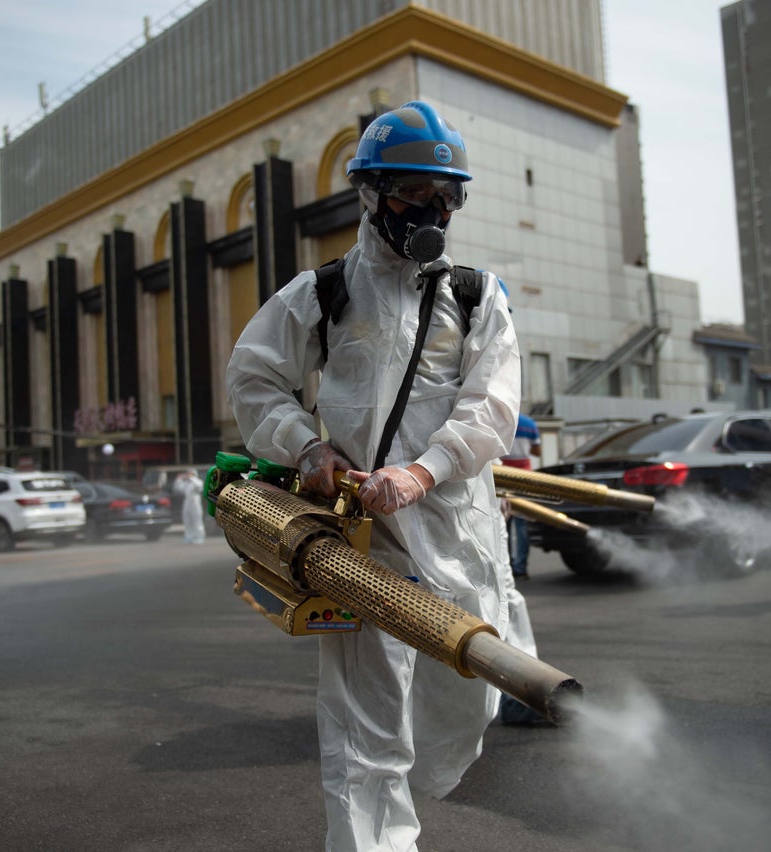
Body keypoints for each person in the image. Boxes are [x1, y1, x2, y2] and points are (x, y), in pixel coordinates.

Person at [226, 101, 522, 851]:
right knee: (364, 733)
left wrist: (425, 472)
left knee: (468, 700)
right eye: (414, 194)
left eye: (446, 195)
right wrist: (306, 448)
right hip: (363, 538)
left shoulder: (476, 297)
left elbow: (493, 408)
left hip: (458, 533)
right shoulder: (322, 294)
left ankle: (414, 784)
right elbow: (255, 378)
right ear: (371, 193)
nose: (432, 210)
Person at [502, 412, 541, 580]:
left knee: (504, 524)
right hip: (524, 477)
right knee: (522, 525)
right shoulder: (530, 423)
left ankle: (508, 566)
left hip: (503, 475)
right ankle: (521, 567)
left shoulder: (503, 419)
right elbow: (537, 451)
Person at [172, 468, 205, 544]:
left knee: (197, 520)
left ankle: (199, 537)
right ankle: (189, 536)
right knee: (187, 520)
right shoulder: (186, 483)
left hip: (195, 502)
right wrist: (179, 479)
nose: (187, 475)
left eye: (189, 473)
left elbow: (199, 487)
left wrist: (191, 478)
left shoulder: (197, 481)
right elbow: (177, 488)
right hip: (187, 502)